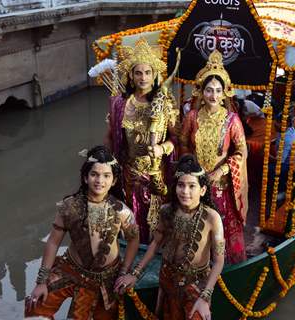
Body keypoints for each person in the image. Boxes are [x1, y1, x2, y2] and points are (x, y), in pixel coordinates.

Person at [25, 146, 140, 320]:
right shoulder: (69, 207)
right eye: (94, 174)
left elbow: (133, 240)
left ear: (114, 180)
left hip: (108, 278)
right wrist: (41, 281)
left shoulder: (122, 211)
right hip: (71, 271)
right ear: (85, 177)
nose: (99, 180)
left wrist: (126, 272)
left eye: (106, 176)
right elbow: (53, 242)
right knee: (36, 305)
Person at [114, 155, 225, 320]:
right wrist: (135, 274)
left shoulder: (212, 218)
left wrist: (205, 296)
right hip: (167, 280)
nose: (185, 191)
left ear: (202, 190)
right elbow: (155, 244)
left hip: (196, 284)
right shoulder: (166, 211)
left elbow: (219, 260)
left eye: (191, 186)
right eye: (181, 185)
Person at [107, 37, 179, 244]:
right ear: (130, 75)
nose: (143, 77)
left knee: (157, 219)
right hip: (129, 172)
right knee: (131, 217)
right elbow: (112, 136)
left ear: (155, 74)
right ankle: (133, 253)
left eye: (148, 72)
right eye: (138, 72)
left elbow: (176, 138)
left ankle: (155, 254)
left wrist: (162, 148)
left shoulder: (164, 102)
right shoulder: (120, 103)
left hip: (156, 174)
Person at [180, 50, 248, 264]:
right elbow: (182, 143)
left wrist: (222, 170)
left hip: (220, 186)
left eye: (218, 91)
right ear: (201, 90)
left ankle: (223, 266)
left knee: (220, 229)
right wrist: (190, 166)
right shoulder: (192, 116)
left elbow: (241, 151)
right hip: (195, 185)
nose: (214, 95)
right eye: (209, 90)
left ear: (225, 93)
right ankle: (195, 263)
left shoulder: (231, 120)